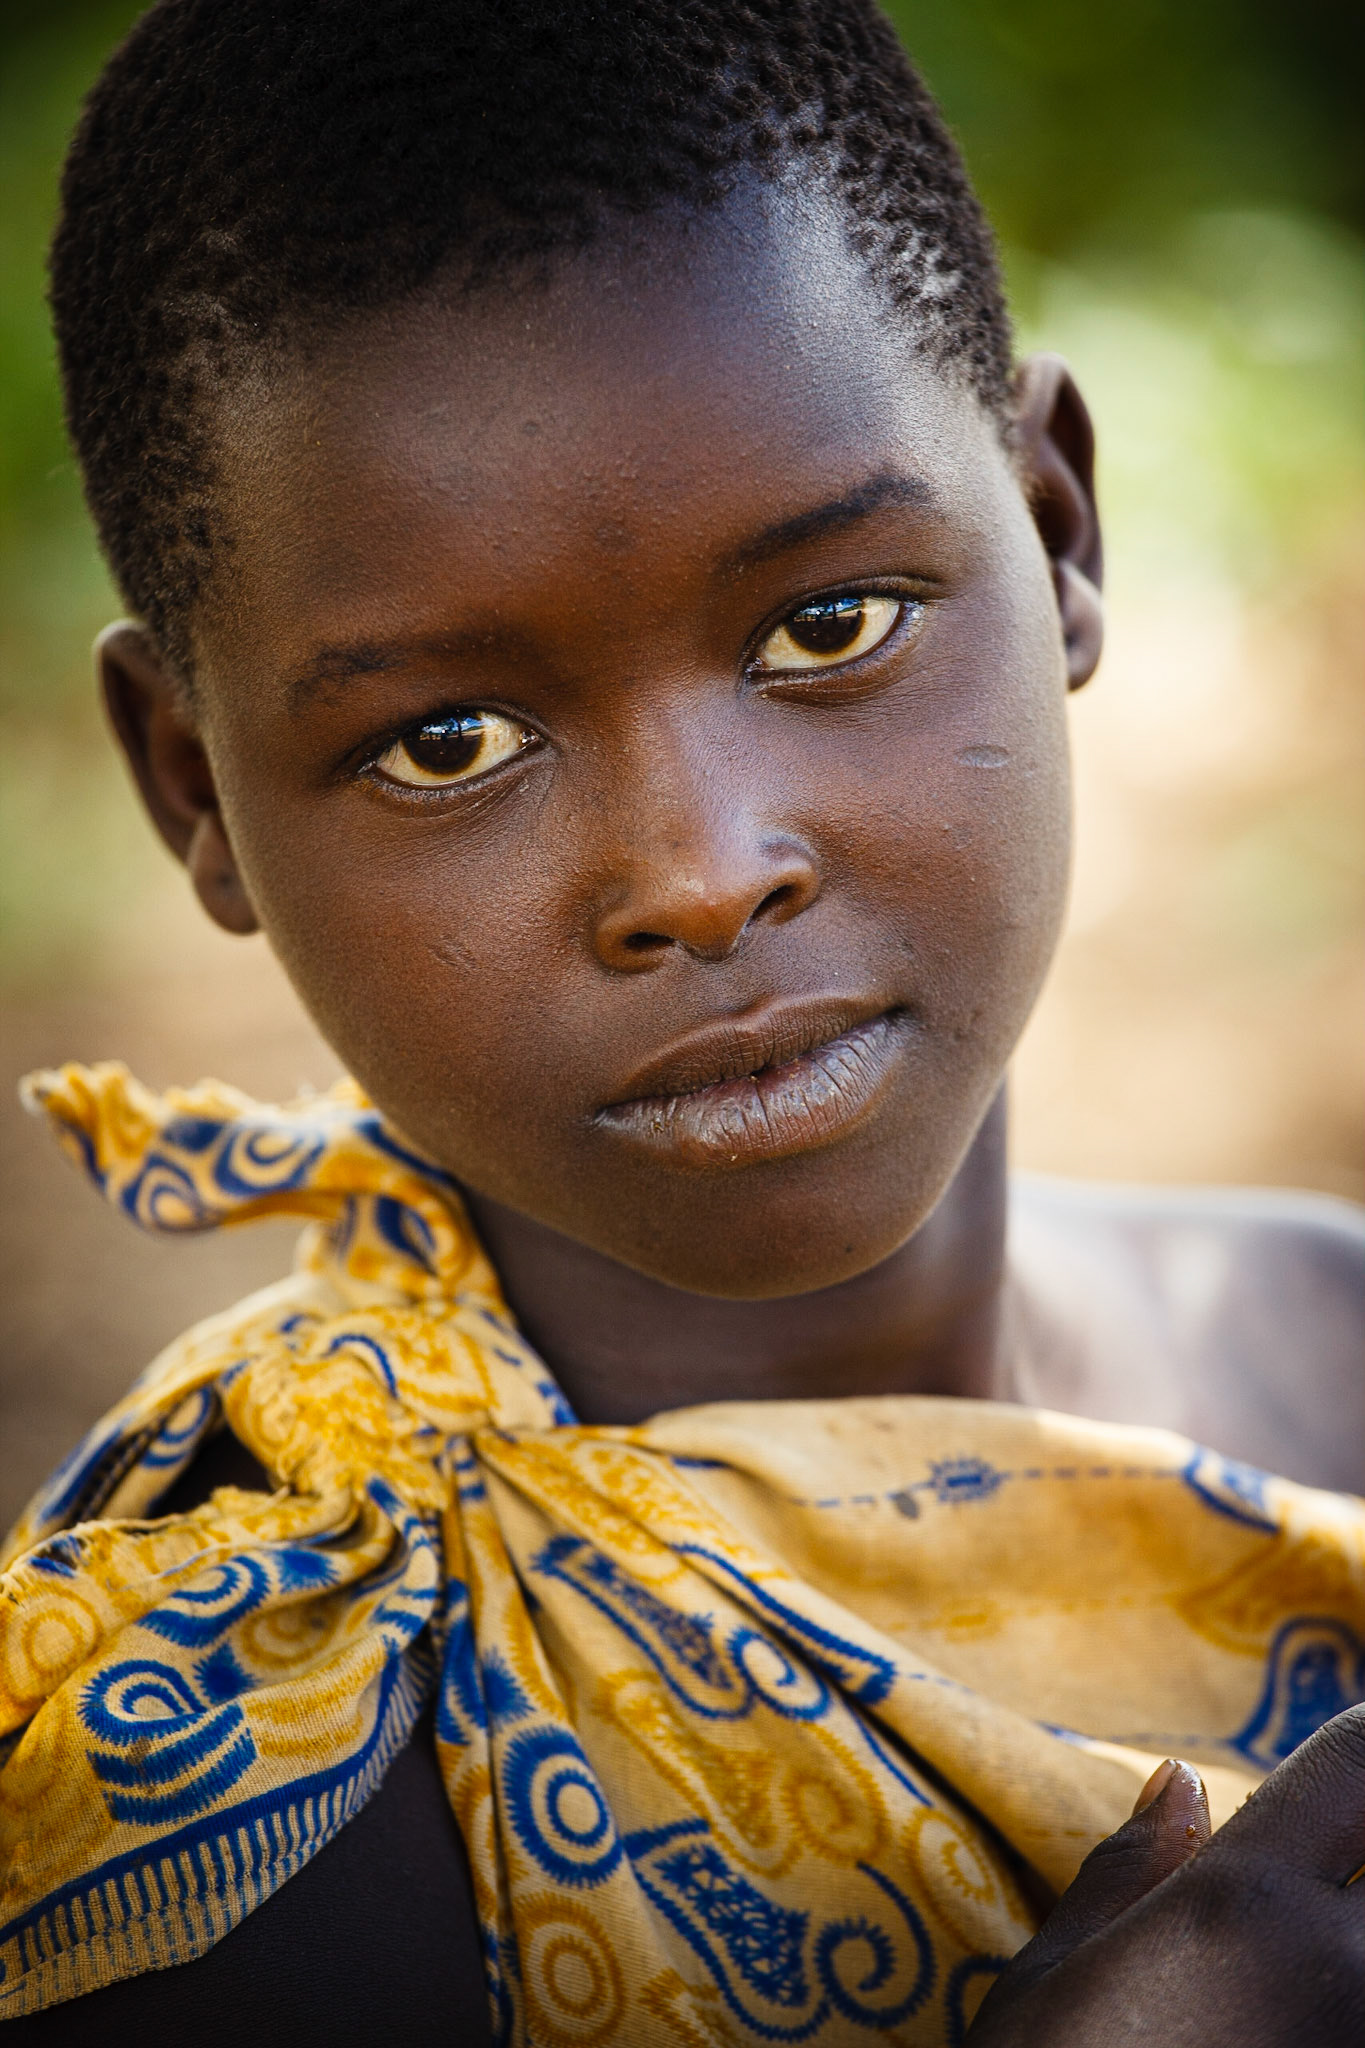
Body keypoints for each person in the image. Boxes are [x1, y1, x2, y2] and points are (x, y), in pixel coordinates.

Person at [1, 0, 1362, 2041]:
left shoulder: (1329, 1344)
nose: (699, 871)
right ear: (194, 790)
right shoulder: (222, 1764)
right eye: (444, 741)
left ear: (1057, 533)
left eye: (826, 624)